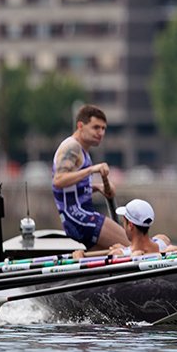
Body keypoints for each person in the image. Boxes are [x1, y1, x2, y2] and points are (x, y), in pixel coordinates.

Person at [51, 104, 128, 250]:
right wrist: (92, 170)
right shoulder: (72, 147)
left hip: (78, 220)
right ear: (80, 126)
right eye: (96, 127)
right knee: (133, 247)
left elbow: (70, 190)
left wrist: (97, 187)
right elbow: (58, 181)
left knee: (116, 253)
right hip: (80, 218)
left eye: (103, 128)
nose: (101, 133)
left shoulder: (82, 150)